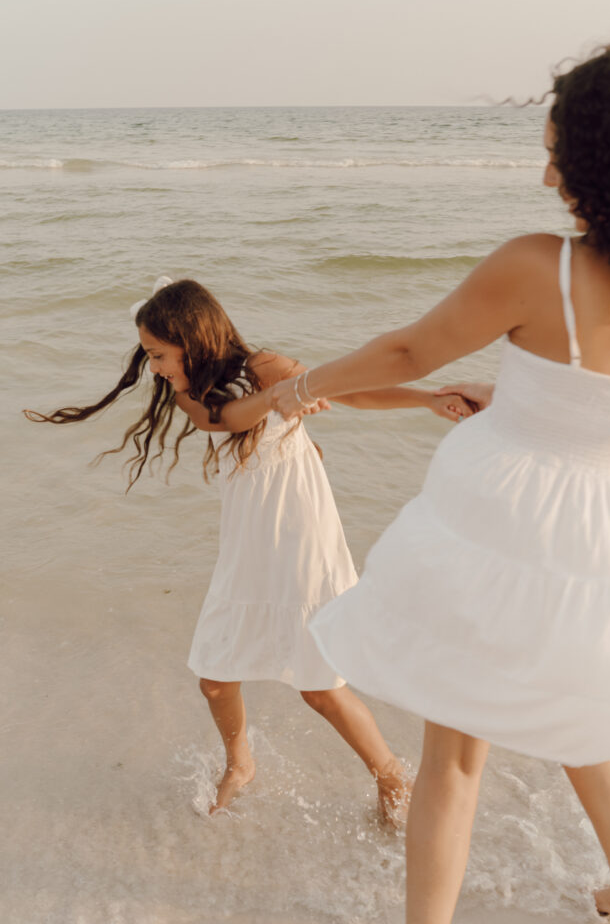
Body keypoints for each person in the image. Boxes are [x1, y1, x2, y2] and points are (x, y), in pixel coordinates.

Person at [269, 29, 610, 924]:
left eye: (557, 157)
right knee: (587, 723)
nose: (546, 180)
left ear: (608, 161)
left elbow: (408, 350)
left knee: (455, 752)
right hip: (609, 525)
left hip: (501, 515)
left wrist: (297, 390)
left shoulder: (540, 263)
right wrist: (533, 398)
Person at [25, 278, 472, 819]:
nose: (154, 367)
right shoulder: (193, 391)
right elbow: (227, 419)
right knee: (215, 679)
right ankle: (241, 762)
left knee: (318, 687)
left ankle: (391, 776)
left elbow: (353, 391)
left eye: (158, 354)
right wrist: (286, 398)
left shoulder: (271, 366)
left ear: (191, 338)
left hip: (301, 527)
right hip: (247, 533)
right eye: (149, 355)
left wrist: (427, 398)